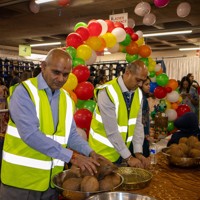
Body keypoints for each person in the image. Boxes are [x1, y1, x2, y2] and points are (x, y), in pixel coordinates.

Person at [0, 49, 103, 200]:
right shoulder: (24, 92)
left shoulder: (66, 99)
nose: (61, 79)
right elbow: (30, 135)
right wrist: (72, 157)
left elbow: (71, 134)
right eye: (56, 72)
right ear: (43, 67)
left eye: (66, 74)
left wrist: (91, 152)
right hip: (21, 183)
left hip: (51, 184)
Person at [88, 60, 150, 169]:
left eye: (143, 81)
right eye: (138, 80)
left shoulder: (138, 93)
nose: (140, 84)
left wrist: (138, 152)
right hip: (102, 154)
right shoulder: (107, 92)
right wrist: (129, 158)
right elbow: (111, 131)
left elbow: (137, 124)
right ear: (127, 73)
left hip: (122, 153)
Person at [140, 77, 151, 157]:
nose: (149, 86)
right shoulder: (142, 99)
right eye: (146, 84)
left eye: (149, 84)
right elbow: (142, 118)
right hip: (141, 133)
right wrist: (145, 133)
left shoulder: (141, 97)